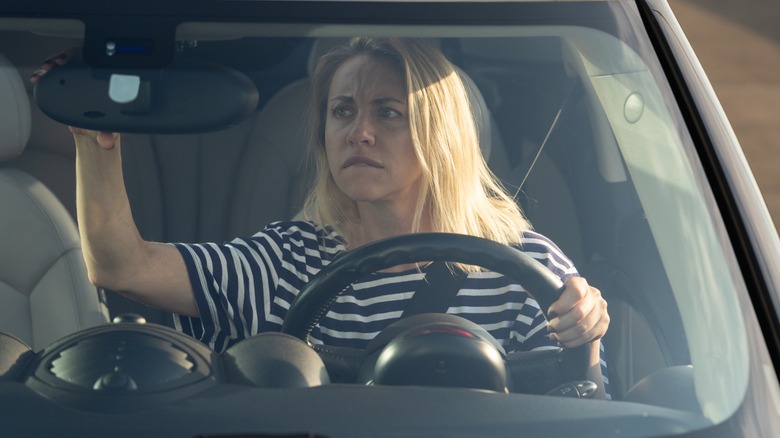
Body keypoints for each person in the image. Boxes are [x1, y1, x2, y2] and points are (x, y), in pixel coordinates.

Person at [36, 37, 610, 397]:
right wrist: (95, 137)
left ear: (441, 135)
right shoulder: (289, 259)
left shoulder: (525, 265)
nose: (359, 131)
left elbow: (577, 396)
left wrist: (583, 321)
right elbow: (122, 267)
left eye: (388, 112)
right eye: (342, 112)